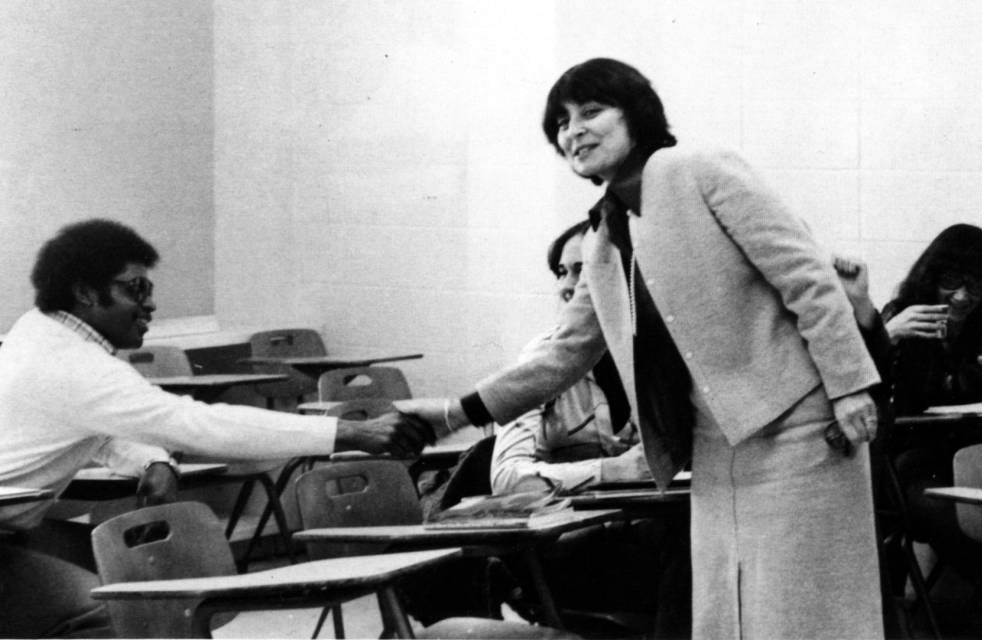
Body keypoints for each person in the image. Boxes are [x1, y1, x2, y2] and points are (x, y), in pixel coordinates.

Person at [398, 58, 884, 639]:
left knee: (803, 613)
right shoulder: (605, 242)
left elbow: (806, 276)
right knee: (726, 619)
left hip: (801, 430)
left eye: (591, 111)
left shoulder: (698, 169)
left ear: (638, 115)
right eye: (560, 122)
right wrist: (457, 412)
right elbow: (564, 354)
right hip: (716, 447)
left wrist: (852, 385)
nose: (572, 130)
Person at [0, 219, 432, 638]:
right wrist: (347, 432)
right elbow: (194, 422)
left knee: (137, 575)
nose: (150, 304)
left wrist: (152, 459)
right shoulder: (73, 363)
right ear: (84, 292)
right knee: (109, 610)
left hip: (18, 530)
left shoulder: (39, 335)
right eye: (136, 288)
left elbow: (99, 427)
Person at [490, 218, 691, 638]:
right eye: (562, 273)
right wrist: (609, 471)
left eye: (582, 271)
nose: (567, 285)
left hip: (636, 537)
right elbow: (506, 478)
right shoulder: (537, 361)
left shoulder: (652, 358)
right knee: (690, 553)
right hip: (561, 551)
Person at [881, 224, 982, 595]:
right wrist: (887, 335)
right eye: (952, 282)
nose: (961, 296)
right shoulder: (901, 318)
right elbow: (857, 389)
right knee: (958, 521)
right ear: (931, 278)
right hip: (915, 462)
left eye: (975, 285)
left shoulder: (978, 327)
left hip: (972, 457)